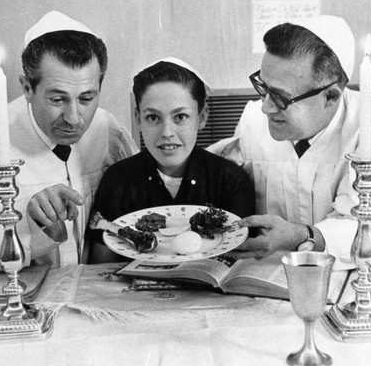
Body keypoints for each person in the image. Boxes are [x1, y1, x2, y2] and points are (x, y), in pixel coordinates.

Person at [208, 15, 371, 269]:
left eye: (281, 97)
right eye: (263, 87)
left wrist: (305, 236)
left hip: (356, 279)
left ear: (330, 96)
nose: (265, 107)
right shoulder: (253, 122)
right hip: (269, 281)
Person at [0, 11, 138, 277]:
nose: (74, 119)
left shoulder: (107, 130)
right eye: (57, 99)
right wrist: (26, 220)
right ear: (27, 88)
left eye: (86, 98)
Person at [89, 58, 255, 262]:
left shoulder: (231, 180)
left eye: (181, 117)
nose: (167, 132)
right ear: (138, 118)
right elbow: (99, 270)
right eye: (153, 118)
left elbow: (239, 261)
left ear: (202, 117)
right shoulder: (117, 180)